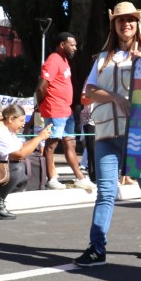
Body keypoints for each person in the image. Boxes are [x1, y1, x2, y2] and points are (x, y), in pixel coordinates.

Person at [73, 2, 141, 267]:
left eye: (130, 19)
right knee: (105, 191)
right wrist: (115, 97)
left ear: (137, 23)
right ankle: (96, 248)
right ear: (113, 25)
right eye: (120, 20)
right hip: (106, 134)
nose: (126, 23)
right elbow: (89, 91)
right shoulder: (103, 58)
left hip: (138, 133)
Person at [0, 104, 55, 220]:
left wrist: (41, 137)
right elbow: (18, 154)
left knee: (22, 178)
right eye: (21, 121)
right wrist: (39, 138)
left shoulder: (7, 130)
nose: (23, 124)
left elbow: (21, 147)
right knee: (17, 169)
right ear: (10, 119)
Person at [37, 32, 94, 191]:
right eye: (72, 45)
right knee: (51, 144)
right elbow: (41, 87)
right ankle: (51, 178)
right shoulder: (54, 59)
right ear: (62, 45)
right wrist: (43, 105)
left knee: (70, 143)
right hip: (55, 109)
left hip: (65, 110)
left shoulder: (64, 60)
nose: (75, 48)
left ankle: (80, 178)